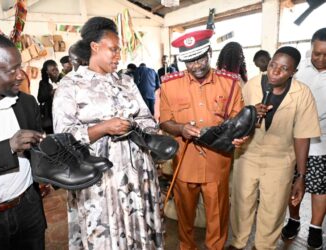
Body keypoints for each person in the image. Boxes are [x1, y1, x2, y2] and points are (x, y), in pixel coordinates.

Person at [52, 17, 163, 249]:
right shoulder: (71, 85)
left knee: (139, 230)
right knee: (103, 232)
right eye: (113, 49)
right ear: (95, 46)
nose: (118, 56)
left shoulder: (126, 82)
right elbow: (62, 138)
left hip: (136, 173)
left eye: (119, 50)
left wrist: (151, 133)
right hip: (99, 179)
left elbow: (144, 117)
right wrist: (103, 128)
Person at [159, 29, 246, 250]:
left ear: (209, 51)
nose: (196, 65)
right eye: (189, 61)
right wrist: (180, 128)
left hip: (217, 162)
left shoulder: (231, 83)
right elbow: (164, 122)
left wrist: (238, 137)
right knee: (184, 216)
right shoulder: (169, 84)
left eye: (200, 58)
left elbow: (239, 122)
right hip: (184, 162)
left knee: (217, 216)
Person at [228, 46, 321, 250]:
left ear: (293, 72)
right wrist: (250, 114)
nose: (275, 72)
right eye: (273, 65)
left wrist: (301, 176)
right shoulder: (252, 85)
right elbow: (234, 120)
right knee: (241, 204)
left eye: (284, 68)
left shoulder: (302, 93)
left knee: (273, 208)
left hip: (281, 160)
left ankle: (264, 246)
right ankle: (237, 243)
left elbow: (302, 136)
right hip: (247, 154)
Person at [0, 32, 46, 250]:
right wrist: (8, 147)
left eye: (20, 66)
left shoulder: (26, 102)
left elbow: (38, 151)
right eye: (11, 70)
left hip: (29, 208)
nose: (20, 76)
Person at [281, 28, 326, 250]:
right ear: (311, 47)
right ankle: (294, 219)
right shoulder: (298, 71)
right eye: (317, 53)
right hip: (295, 140)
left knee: (320, 188)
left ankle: (316, 228)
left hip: (322, 144)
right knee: (293, 184)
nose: (321, 59)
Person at [37, 59, 61, 134]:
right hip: (51, 117)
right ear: (47, 72)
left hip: (62, 114)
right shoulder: (44, 83)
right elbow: (40, 98)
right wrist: (51, 93)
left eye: (57, 69)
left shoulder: (63, 80)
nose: (56, 72)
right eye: (53, 70)